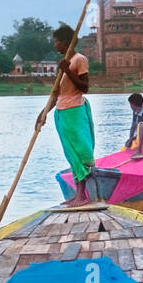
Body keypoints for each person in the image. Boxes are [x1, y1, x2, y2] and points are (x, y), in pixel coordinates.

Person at [38, 24, 96, 207]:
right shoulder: (63, 62)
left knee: (80, 152)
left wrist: (67, 70)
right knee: (71, 154)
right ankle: (79, 194)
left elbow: (84, 88)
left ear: (65, 42)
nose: (55, 45)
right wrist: (43, 114)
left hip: (75, 111)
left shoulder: (79, 60)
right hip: (62, 113)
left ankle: (82, 195)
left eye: (57, 42)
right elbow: (57, 94)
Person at [124, 93, 143, 157]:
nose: (130, 106)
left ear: (134, 104)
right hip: (136, 139)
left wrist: (132, 138)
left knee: (141, 125)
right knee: (126, 145)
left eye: (130, 104)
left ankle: (139, 150)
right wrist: (130, 139)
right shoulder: (135, 113)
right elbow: (133, 127)